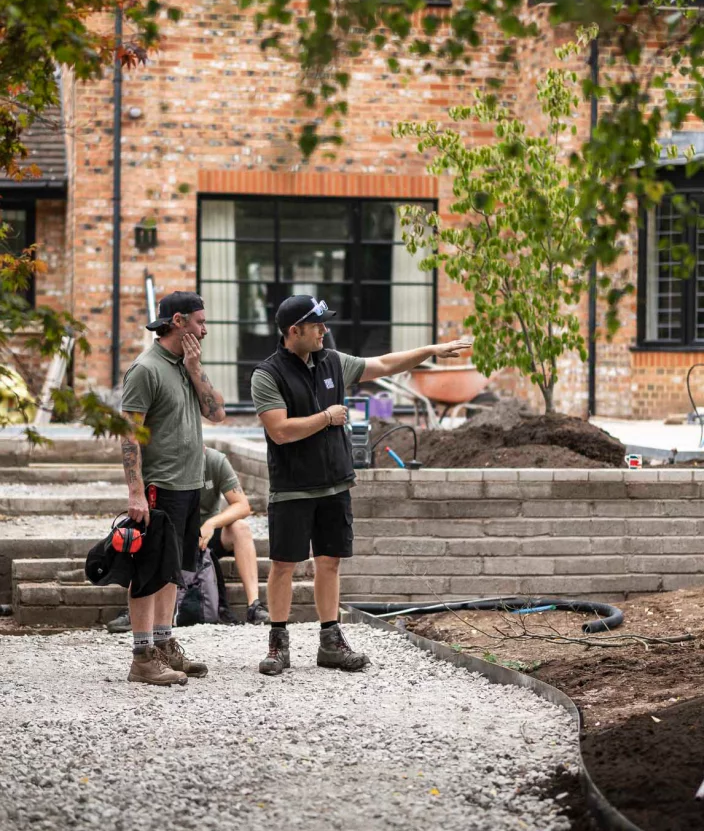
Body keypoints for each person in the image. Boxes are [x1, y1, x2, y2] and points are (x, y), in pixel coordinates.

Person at [251, 294, 470, 675]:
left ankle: (330, 641)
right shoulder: (267, 374)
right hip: (292, 488)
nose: (325, 330)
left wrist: (432, 350)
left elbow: (384, 364)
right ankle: (277, 643)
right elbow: (280, 430)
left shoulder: (332, 361)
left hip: (335, 484)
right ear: (294, 331)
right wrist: (327, 417)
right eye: (317, 325)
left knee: (330, 563)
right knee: (284, 565)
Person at [120, 290, 226, 685]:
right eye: (200, 321)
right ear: (178, 321)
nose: (205, 328)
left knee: (171, 574)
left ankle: (164, 646)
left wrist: (196, 369)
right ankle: (142, 657)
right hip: (158, 488)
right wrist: (134, 492)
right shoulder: (145, 369)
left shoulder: (186, 364)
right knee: (148, 572)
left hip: (188, 484)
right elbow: (130, 436)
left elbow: (217, 414)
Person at [200, 445, 270, 624]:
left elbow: (242, 505)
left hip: (209, 533)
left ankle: (254, 605)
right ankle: (135, 608)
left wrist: (211, 523)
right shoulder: (167, 461)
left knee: (241, 529)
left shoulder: (214, 460)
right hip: (175, 535)